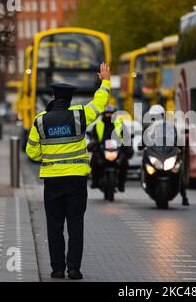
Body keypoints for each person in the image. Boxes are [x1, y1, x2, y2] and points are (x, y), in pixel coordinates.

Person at [26, 62, 111, 280]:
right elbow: (99, 104)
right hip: (76, 180)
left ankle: (56, 269)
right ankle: (73, 269)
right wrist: (105, 82)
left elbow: (32, 154)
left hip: (52, 181)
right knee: (75, 223)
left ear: (53, 97)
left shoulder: (40, 120)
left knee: (54, 226)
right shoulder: (79, 115)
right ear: (71, 99)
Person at [144, 104, 189, 206]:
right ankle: (146, 180)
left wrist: (179, 145)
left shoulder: (170, 128)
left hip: (167, 153)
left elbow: (177, 139)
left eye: (158, 116)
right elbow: (143, 143)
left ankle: (184, 196)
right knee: (145, 162)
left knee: (177, 168)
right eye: (153, 116)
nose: (156, 118)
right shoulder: (148, 130)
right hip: (155, 153)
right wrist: (142, 146)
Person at [88, 105, 133, 192]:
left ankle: (121, 184)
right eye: (107, 113)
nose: (109, 115)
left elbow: (126, 136)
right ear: (103, 114)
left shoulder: (119, 124)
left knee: (125, 162)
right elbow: (93, 137)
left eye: (111, 114)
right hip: (102, 148)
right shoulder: (98, 125)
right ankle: (95, 181)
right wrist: (94, 142)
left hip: (117, 148)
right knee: (93, 160)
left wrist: (127, 144)